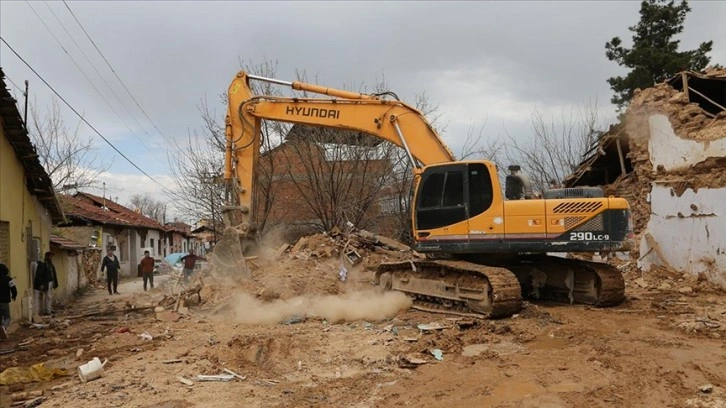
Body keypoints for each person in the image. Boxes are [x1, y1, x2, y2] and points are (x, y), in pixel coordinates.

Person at [0, 263, 18, 341]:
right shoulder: (8, 279)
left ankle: (1, 334)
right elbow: (13, 289)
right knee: (7, 317)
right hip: (4, 301)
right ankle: (3, 327)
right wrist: (14, 295)